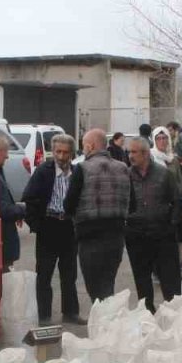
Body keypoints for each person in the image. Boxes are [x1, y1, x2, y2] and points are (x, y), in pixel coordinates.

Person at [64, 128, 131, 302]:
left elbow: (69, 204)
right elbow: (133, 205)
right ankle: (110, 320)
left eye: (84, 146)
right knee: (108, 282)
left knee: (94, 286)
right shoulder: (123, 168)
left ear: (90, 145)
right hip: (116, 235)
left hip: (90, 236)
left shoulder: (82, 168)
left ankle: (103, 322)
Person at [22, 134, 83, 324]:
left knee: (69, 273)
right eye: (58, 152)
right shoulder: (43, 172)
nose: (62, 156)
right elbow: (29, 199)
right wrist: (36, 225)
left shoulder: (77, 172)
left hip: (68, 227)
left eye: (66, 152)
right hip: (48, 226)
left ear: (72, 153)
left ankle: (70, 312)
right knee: (44, 274)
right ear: (53, 152)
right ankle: (44, 315)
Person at [124, 136, 182, 312]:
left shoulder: (164, 174)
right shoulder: (125, 175)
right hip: (136, 234)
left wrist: (171, 224)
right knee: (142, 279)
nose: (130, 156)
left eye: (134, 152)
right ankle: (147, 314)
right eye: (129, 152)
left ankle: (174, 314)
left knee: (169, 278)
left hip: (162, 233)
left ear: (146, 153)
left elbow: (178, 202)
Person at [0, 131, 26, 269]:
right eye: (4, 151)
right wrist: (24, 209)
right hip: (1, 241)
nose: (7, 156)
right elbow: (2, 209)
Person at [150, 126, 182, 190]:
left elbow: (179, 180)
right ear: (154, 141)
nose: (162, 141)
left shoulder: (173, 159)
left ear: (168, 140)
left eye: (164, 138)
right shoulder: (150, 157)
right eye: (158, 138)